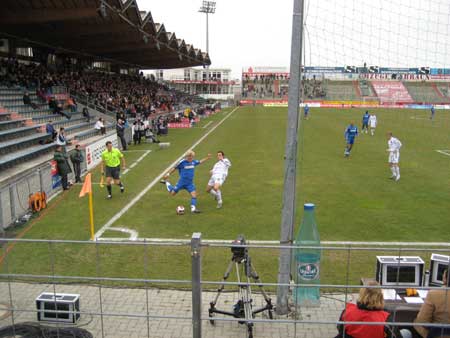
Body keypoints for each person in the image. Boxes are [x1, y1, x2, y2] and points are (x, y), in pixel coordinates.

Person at [335, 281, 401, 338]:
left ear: (361, 294)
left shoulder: (347, 311)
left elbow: (340, 331)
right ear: (380, 297)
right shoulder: (385, 319)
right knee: (406, 332)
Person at [399, 269, 450, 338]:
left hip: (435, 334)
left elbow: (423, 320)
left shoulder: (434, 294)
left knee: (405, 330)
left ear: (445, 279)